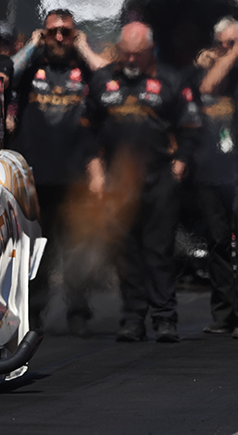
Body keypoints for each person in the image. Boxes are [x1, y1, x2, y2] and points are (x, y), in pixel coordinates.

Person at [82, 22, 201, 343]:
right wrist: (96, 171)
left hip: (159, 177)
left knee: (159, 250)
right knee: (126, 251)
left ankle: (165, 318)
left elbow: (191, 126)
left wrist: (179, 164)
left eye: (138, 54)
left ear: (150, 51)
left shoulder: (170, 80)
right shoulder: (103, 79)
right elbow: (86, 128)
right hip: (118, 180)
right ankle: (133, 318)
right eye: (127, 53)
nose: (132, 60)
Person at [8, 9, 109, 335]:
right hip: (35, 177)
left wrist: (84, 48)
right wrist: (32, 45)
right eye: (53, 31)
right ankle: (33, 317)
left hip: (75, 178)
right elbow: (5, 76)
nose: (60, 37)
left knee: (77, 250)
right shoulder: (31, 67)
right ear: (44, 34)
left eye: (67, 32)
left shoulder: (84, 69)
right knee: (37, 252)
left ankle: (78, 313)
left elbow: (110, 82)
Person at [192, 16, 238, 338]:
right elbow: (208, 86)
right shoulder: (204, 69)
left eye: (233, 44)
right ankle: (224, 314)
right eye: (224, 44)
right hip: (210, 169)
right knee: (218, 241)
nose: (228, 49)